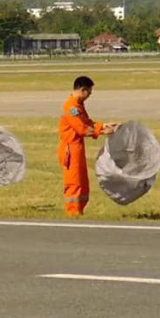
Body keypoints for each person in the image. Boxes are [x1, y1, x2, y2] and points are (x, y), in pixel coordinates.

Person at [58, 76, 117, 217]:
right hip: (70, 150)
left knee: (82, 182)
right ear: (82, 90)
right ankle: (72, 212)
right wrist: (102, 132)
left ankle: (79, 210)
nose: (89, 96)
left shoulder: (78, 106)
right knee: (74, 181)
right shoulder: (71, 107)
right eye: (89, 93)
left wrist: (104, 125)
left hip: (77, 148)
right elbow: (82, 128)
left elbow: (87, 122)